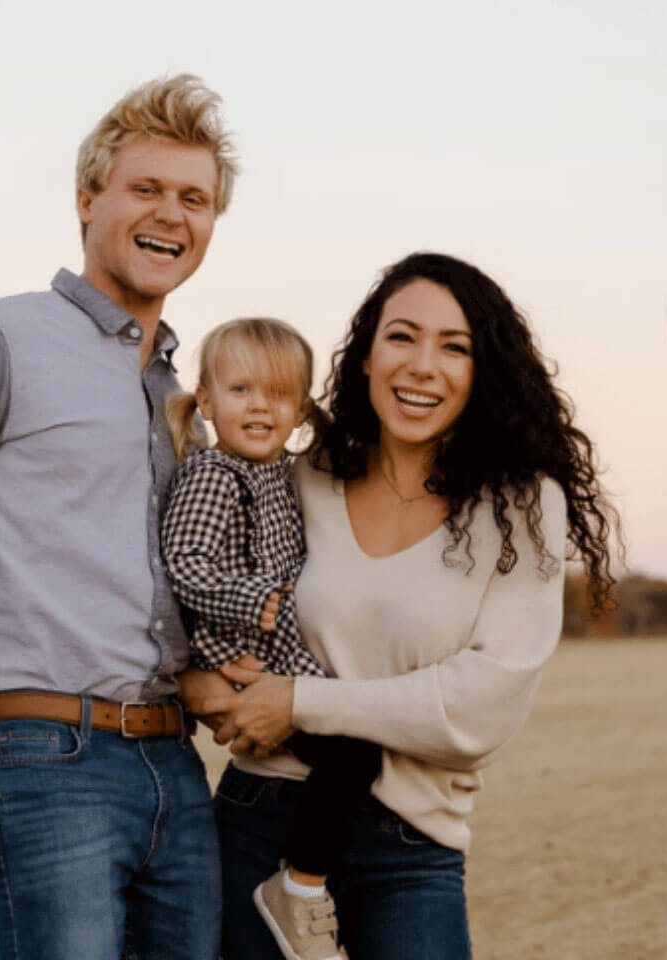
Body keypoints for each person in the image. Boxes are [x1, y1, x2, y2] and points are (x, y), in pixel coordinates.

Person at [0, 74, 237, 960]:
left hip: (175, 766)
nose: (171, 216)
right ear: (86, 198)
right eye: (146, 189)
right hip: (39, 759)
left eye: (196, 199)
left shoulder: (182, 396)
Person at [180, 252, 618, 960]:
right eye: (402, 337)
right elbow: (196, 587)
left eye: (455, 346)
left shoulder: (520, 505)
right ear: (365, 357)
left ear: (484, 372)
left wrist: (297, 702)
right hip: (262, 818)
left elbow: (480, 709)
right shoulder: (302, 476)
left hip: (411, 842)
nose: (422, 365)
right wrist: (194, 680)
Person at [161, 318, 382, 960]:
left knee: (356, 755)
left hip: (290, 667)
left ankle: (307, 879)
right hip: (243, 663)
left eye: (280, 395)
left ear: (301, 409)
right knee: (354, 755)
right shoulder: (212, 474)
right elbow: (185, 565)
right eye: (240, 389)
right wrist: (255, 598)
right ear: (206, 400)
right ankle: (301, 888)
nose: (260, 406)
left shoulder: (290, 475)